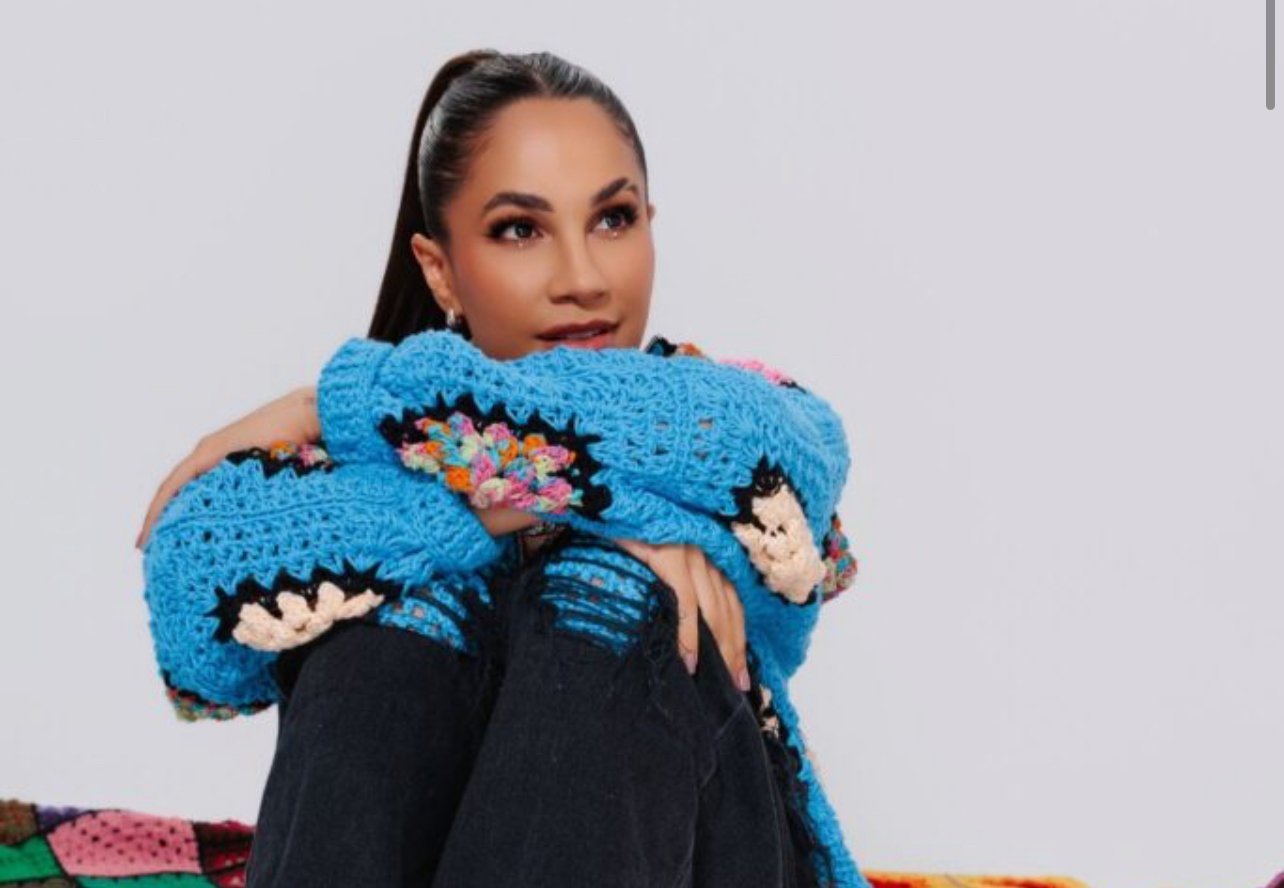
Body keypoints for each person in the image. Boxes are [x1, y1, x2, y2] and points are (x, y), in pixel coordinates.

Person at [135, 49, 868, 887]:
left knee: (607, 592)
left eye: (613, 220)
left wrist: (338, 402)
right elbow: (191, 589)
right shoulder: (403, 456)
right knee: (395, 630)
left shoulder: (714, 411)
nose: (582, 278)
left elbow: (785, 458)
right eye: (520, 229)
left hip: (713, 856)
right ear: (439, 268)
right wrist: (500, 509)